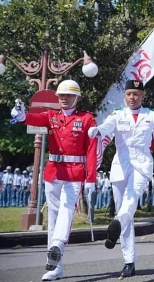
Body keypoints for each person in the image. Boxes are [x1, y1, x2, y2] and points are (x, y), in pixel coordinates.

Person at [11, 80, 98, 281]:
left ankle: (57, 245)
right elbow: (32, 118)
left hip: (75, 172)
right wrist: (21, 115)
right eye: (61, 96)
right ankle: (55, 267)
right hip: (53, 171)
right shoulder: (51, 116)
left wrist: (91, 178)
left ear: (77, 97)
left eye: (68, 95)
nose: (64, 99)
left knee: (67, 209)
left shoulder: (87, 119)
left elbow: (92, 150)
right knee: (53, 216)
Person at [88, 79, 154, 279]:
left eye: (136, 94)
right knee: (124, 212)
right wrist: (96, 131)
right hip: (120, 165)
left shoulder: (151, 117)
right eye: (129, 94)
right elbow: (106, 128)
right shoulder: (118, 115)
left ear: (143, 96)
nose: (133, 97)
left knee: (131, 200)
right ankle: (129, 261)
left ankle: (116, 224)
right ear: (125, 96)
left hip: (142, 164)